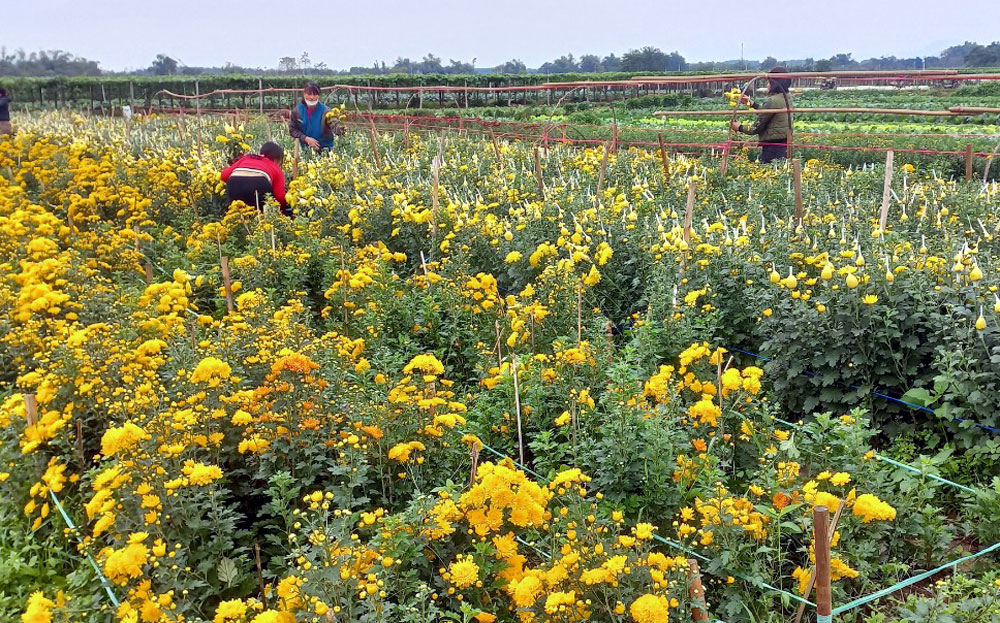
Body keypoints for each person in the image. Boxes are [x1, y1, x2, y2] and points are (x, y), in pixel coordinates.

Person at [730, 67, 794, 164]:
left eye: (769, 81)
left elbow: (756, 128)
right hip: (784, 143)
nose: (767, 84)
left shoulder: (772, 101)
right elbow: (768, 112)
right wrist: (752, 104)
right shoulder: (786, 96)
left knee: (770, 172)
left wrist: (739, 127)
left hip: (772, 147)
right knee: (781, 170)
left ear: (775, 83)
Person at [220, 142, 289, 215]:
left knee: (238, 213)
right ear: (277, 160)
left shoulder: (247, 158)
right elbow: (280, 196)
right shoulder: (275, 168)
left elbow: (224, 175)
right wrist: (284, 211)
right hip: (259, 183)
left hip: (234, 182)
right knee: (258, 213)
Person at [287, 81, 345, 152]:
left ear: (318, 95)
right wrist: (306, 138)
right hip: (305, 150)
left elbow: (334, 125)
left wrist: (339, 129)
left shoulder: (326, 111)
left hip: (325, 150)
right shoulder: (297, 111)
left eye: (315, 95)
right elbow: (292, 130)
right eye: (309, 94)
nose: (312, 97)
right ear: (304, 94)